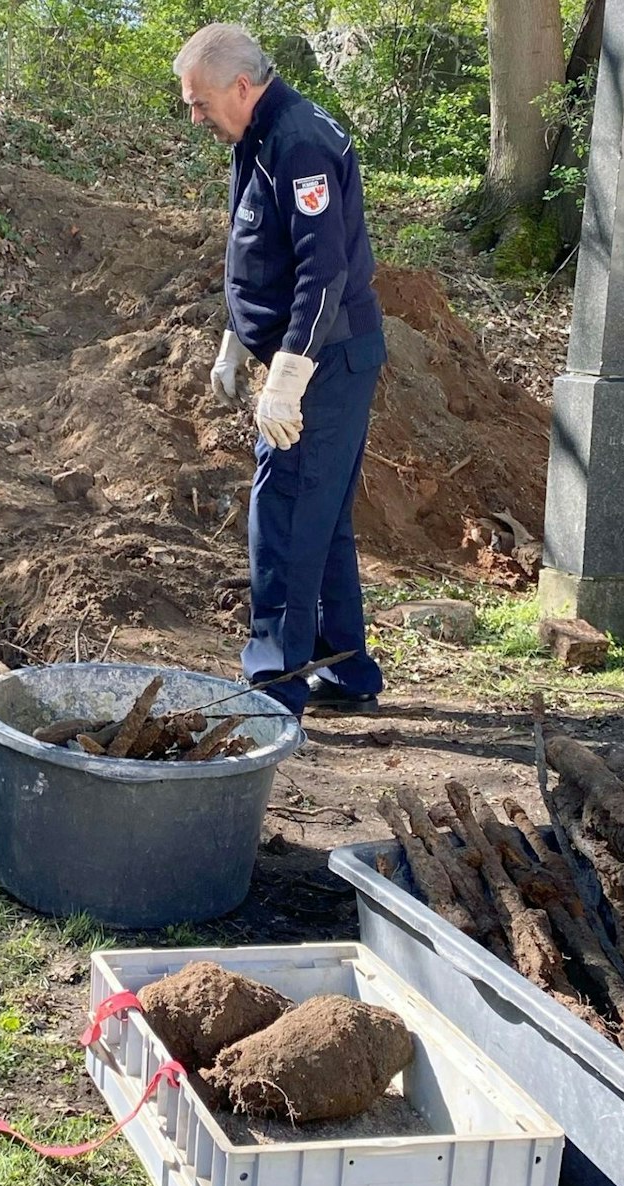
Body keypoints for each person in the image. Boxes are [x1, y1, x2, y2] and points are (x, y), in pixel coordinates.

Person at [176, 23, 389, 717]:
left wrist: (288, 374)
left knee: (286, 513)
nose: (194, 115)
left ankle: (273, 684)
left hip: (325, 359)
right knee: (321, 518)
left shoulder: (296, 141)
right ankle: (344, 664)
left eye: (201, 101)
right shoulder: (260, 133)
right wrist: (239, 340)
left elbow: (323, 274)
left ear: (241, 85)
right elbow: (265, 249)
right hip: (321, 352)